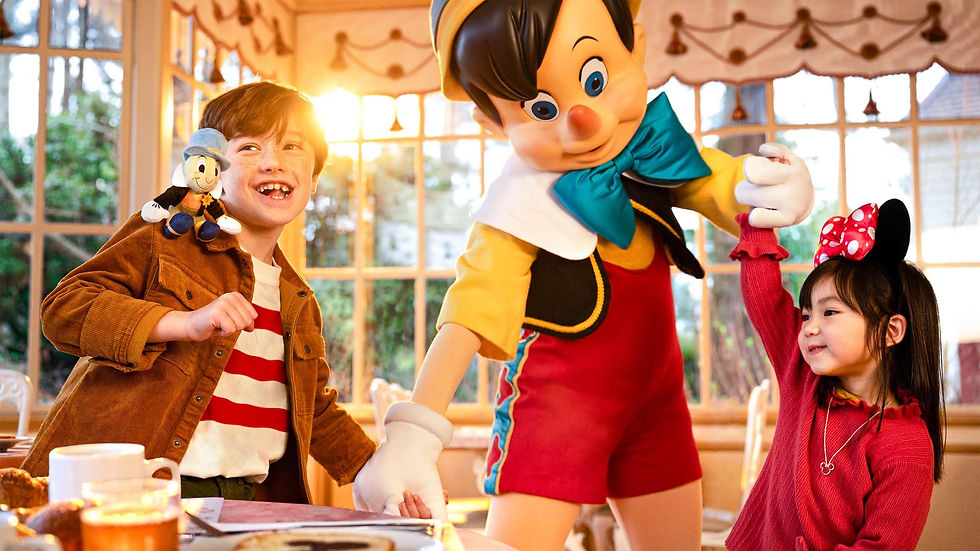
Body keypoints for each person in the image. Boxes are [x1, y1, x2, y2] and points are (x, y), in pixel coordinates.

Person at [352, 0, 813, 548]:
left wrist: (772, 184)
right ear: (492, 121)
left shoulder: (653, 151)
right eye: (541, 108)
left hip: (658, 404)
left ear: (635, 48)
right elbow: (472, 307)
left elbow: (723, 182)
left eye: (595, 78)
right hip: (555, 409)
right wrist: (414, 431)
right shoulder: (514, 207)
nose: (584, 118)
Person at [23, 82, 390, 506]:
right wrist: (183, 323)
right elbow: (64, 309)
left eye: (292, 146)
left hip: (248, 499)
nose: (273, 162)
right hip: (137, 492)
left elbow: (317, 413)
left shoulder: (298, 302)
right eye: (249, 148)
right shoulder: (165, 236)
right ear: (212, 168)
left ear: (312, 180)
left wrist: (384, 469)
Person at [727, 199, 945, 550]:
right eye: (807, 314)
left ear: (891, 331)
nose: (810, 328)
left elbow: (881, 545)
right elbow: (765, 298)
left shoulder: (908, 446)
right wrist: (759, 220)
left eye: (829, 312)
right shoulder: (802, 375)